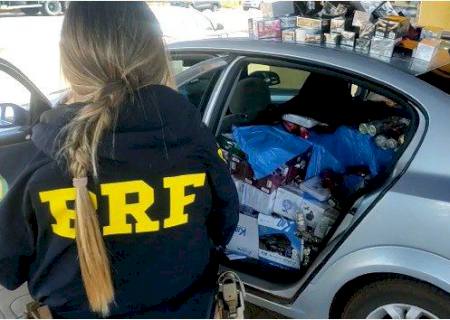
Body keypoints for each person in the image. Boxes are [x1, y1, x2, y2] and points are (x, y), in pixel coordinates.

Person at [0, 2, 239, 318]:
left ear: (70, 61)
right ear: (158, 55)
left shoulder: (41, 165)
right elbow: (223, 228)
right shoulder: (196, 145)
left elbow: (10, 266)